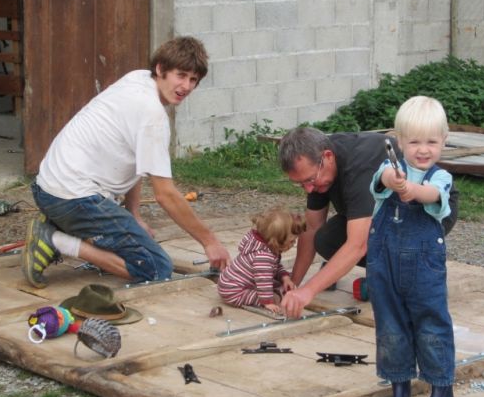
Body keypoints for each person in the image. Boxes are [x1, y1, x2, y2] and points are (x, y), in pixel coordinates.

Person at [22, 36, 230, 288]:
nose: (186, 86)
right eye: (181, 75)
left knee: (130, 246)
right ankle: (55, 239)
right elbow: (166, 195)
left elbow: (134, 160)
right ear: (160, 69)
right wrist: (210, 241)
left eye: (193, 80)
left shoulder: (138, 79)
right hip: (75, 198)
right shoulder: (152, 115)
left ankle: (59, 226)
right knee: (155, 268)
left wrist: (133, 214)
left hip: (47, 189)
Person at [277, 126, 458, 318]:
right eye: (301, 184)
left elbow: (358, 244)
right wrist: (293, 285)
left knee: (385, 250)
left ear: (327, 157)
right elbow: (312, 228)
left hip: (427, 209)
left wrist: (308, 291)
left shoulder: (360, 165)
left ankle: (411, 276)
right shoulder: (317, 171)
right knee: (325, 239)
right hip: (386, 213)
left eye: (310, 180)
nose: (308, 188)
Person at [368, 96, 457, 397]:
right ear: (399, 142)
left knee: (431, 323)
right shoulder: (389, 169)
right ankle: (399, 386)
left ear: (444, 142)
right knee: (390, 324)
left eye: (432, 142)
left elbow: (435, 196)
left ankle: (442, 392)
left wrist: (413, 193)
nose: (423, 149)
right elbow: (381, 181)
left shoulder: (440, 177)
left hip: (424, 268)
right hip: (384, 264)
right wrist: (394, 181)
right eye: (415, 141)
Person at [217, 207, 305, 313]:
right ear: (276, 241)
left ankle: (278, 290)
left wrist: (285, 277)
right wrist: (268, 302)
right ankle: (274, 296)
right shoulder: (263, 256)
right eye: (291, 241)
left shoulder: (266, 248)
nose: (293, 244)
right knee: (275, 297)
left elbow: (275, 266)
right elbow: (263, 280)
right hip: (234, 292)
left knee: (277, 283)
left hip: (230, 284)